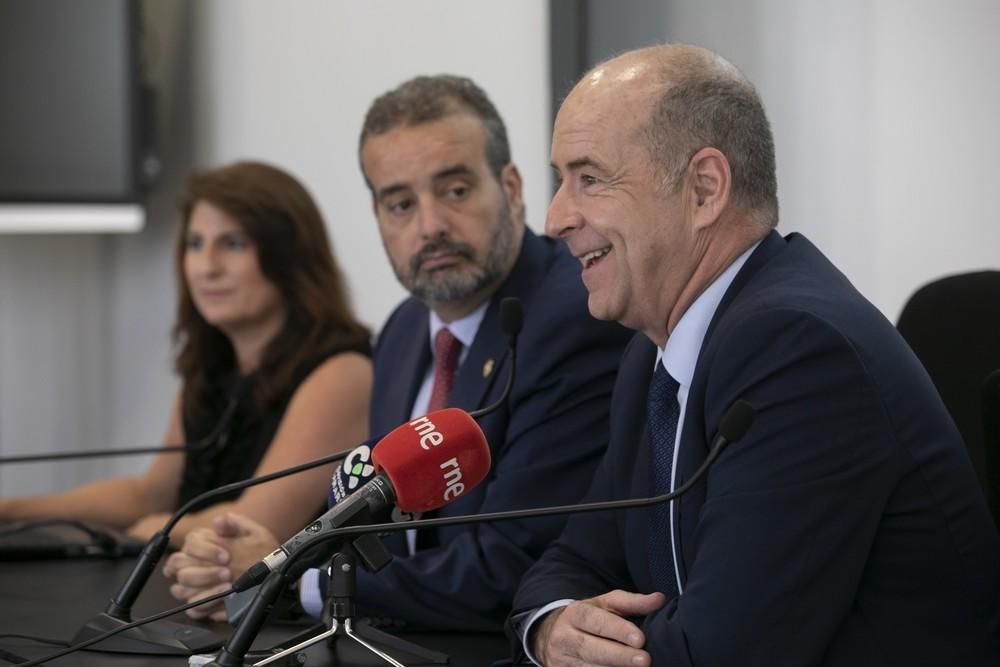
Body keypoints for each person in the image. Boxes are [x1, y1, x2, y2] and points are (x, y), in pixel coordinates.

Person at [509, 44, 1000, 666]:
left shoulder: (799, 351)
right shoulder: (652, 357)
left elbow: (723, 652)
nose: (555, 218)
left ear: (705, 189)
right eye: (560, 180)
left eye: (590, 179)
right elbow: (573, 560)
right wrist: (552, 629)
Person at [164, 75, 633, 632]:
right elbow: (384, 540)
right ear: (378, 219)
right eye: (401, 204)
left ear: (510, 188)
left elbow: (512, 566)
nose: (430, 226)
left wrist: (294, 581)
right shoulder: (405, 331)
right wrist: (276, 556)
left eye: (455, 190)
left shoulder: (572, 319)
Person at [0, 161, 373, 555]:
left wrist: (152, 531)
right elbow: (149, 495)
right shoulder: (215, 364)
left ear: (290, 257)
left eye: (233, 244)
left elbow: (255, 523)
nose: (206, 267)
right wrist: (11, 511)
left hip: (280, 610)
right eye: (195, 244)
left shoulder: (342, 372)